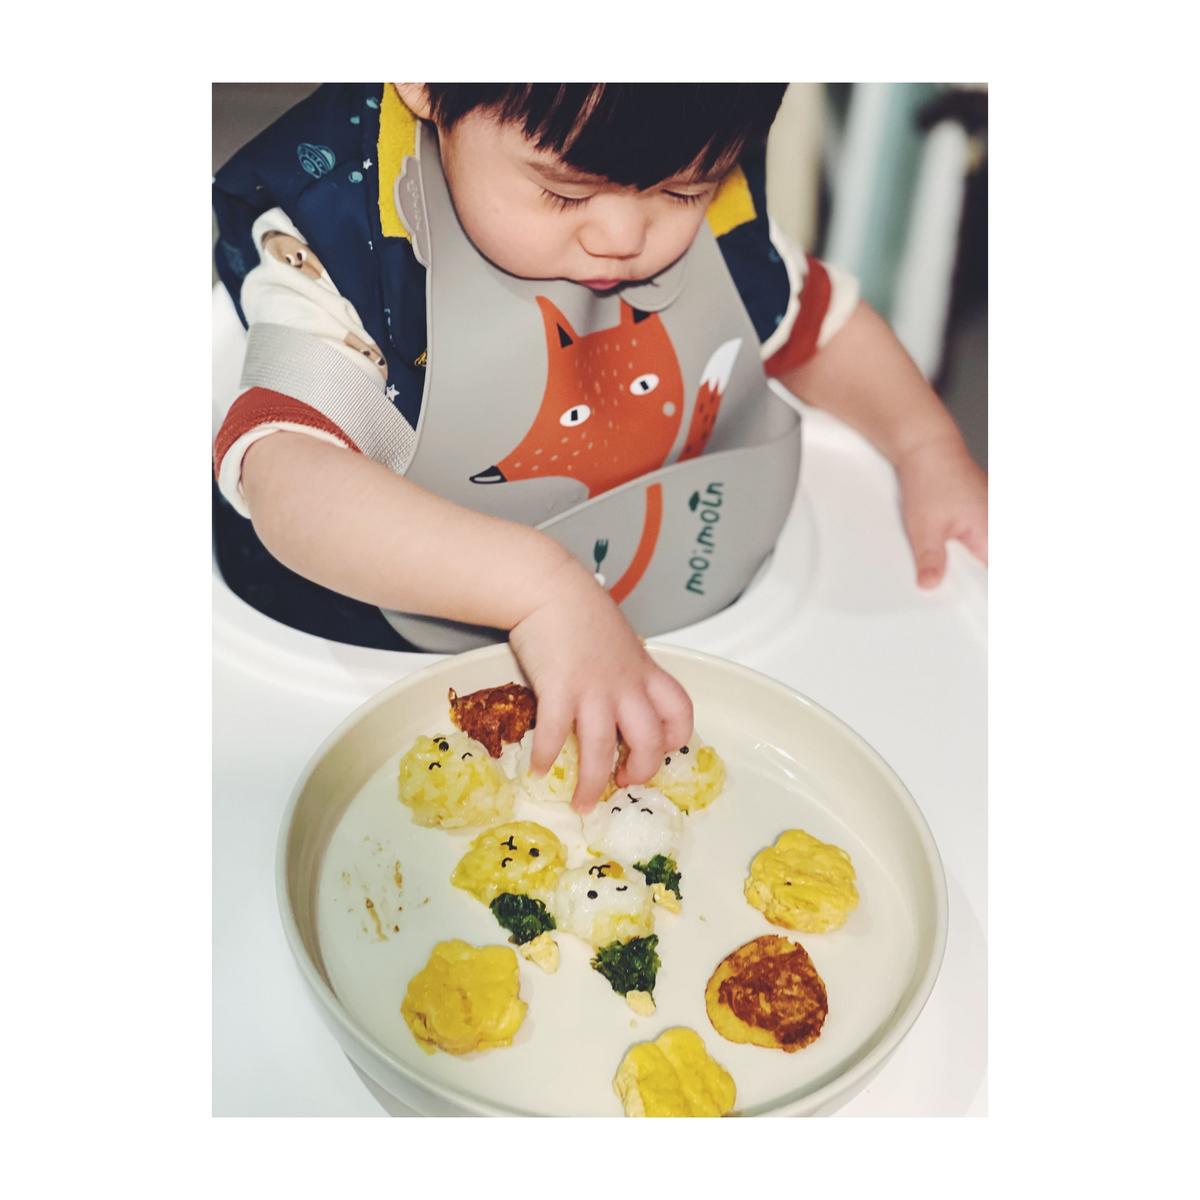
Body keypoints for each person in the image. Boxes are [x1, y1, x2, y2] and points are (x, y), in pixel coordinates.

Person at [212, 83, 987, 813]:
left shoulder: (692, 174)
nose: (623, 236)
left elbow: (817, 325)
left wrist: (924, 445)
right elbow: (285, 475)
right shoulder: (340, 243)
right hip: (375, 653)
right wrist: (539, 589)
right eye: (565, 192)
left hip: (676, 616)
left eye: (683, 191)